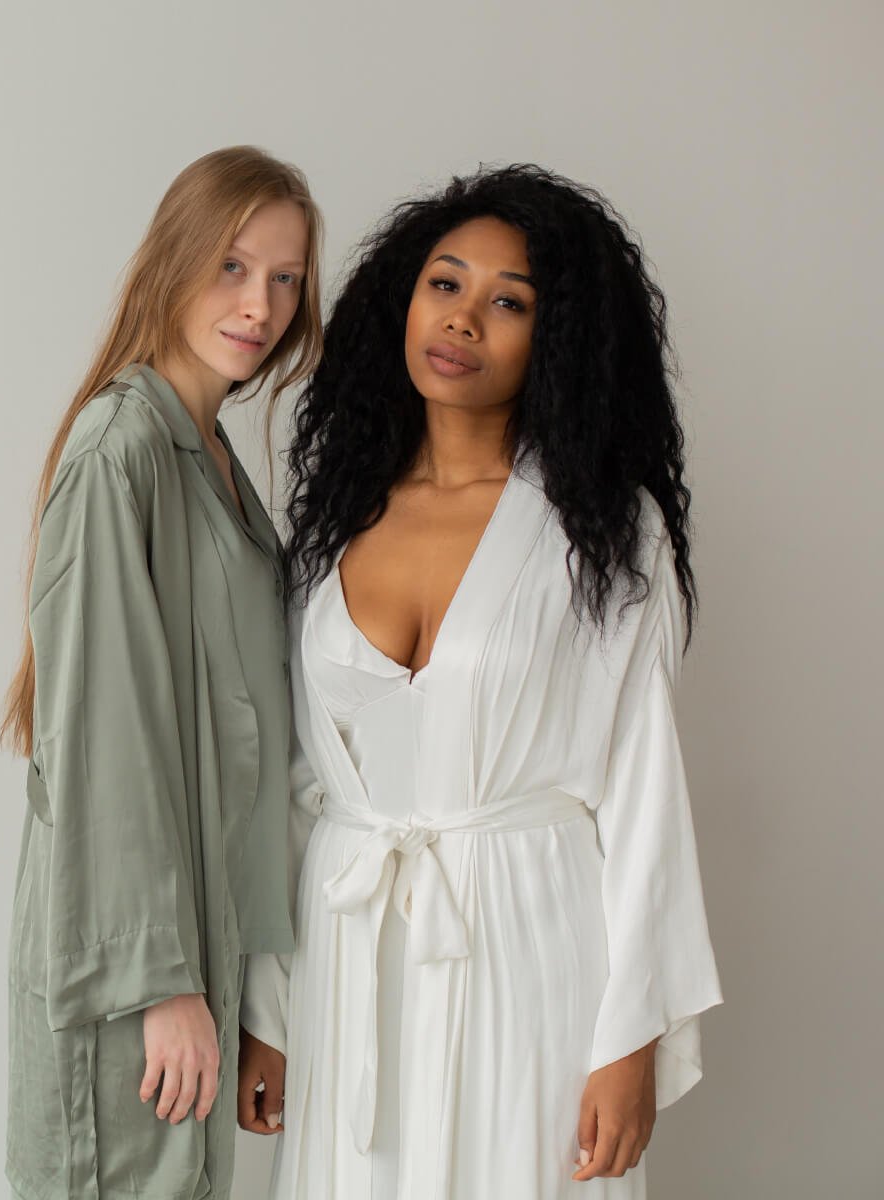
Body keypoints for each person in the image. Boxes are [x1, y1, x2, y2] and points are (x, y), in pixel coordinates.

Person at [237, 165, 723, 1198]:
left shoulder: (602, 534)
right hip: (347, 950)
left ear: (557, 340)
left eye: (510, 303)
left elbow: (642, 792)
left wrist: (630, 1037)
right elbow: (297, 782)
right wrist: (267, 1007)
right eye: (446, 283)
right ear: (403, 300)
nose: (462, 318)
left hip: (525, 941)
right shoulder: (333, 517)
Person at [0, 146, 324, 1200]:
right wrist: (159, 984)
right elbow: (101, 737)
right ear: (173, 261)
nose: (260, 305)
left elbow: (251, 732)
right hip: (131, 968)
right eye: (233, 266)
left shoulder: (212, 459)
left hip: (199, 948)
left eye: (285, 278)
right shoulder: (121, 448)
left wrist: (258, 999)